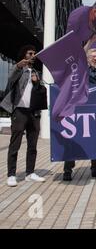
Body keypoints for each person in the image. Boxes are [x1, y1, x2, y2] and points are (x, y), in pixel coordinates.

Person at [1, 45, 48, 187]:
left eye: (34, 53)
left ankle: (30, 173)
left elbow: (40, 91)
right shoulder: (18, 70)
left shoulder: (36, 72)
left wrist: (36, 82)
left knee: (32, 145)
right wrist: (17, 67)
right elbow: (10, 80)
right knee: (15, 144)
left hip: (33, 112)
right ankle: (11, 174)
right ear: (24, 55)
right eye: (30, 53)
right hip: (19, 111)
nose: (33, 55)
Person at [63, 47, 96, 181]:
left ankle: (95, 168)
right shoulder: (79, 70)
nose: (95, 58)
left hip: (93, 113)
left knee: (95, 139)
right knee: (74, 140)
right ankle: (67, 170)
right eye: (93, 56)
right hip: (77, 111)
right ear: (86, 58)